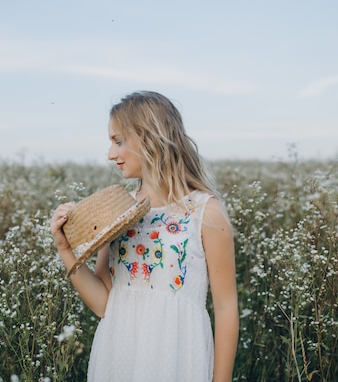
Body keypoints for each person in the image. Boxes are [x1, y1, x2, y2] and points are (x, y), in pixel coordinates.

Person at [50, 91, 239, 382]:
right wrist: (65, 250)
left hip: (177, 358)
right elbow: (103, 303)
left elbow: (226, 308)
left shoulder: (205, 212)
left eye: (118, 141)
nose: (111, 154)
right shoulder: (121, 211)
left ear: (150, 137)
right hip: (119, 354)